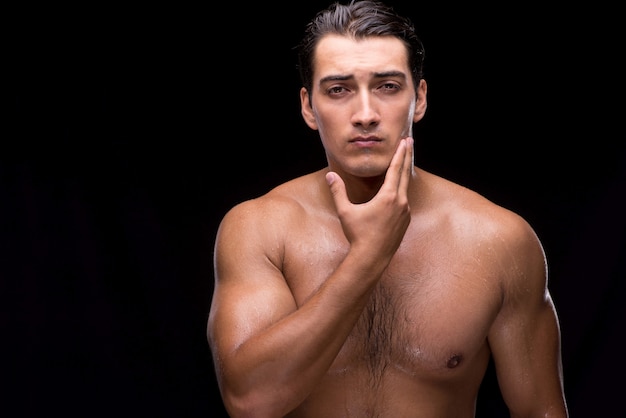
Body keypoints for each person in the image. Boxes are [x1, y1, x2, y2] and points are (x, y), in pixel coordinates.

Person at [207, 1, 569, 416]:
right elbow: (251, 401)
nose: (365, 115)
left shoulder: (499, 240)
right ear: (309, 106)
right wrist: (368, 256)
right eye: (339, 89)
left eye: (388, 86)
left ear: (420, 99)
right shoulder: (259, 228)